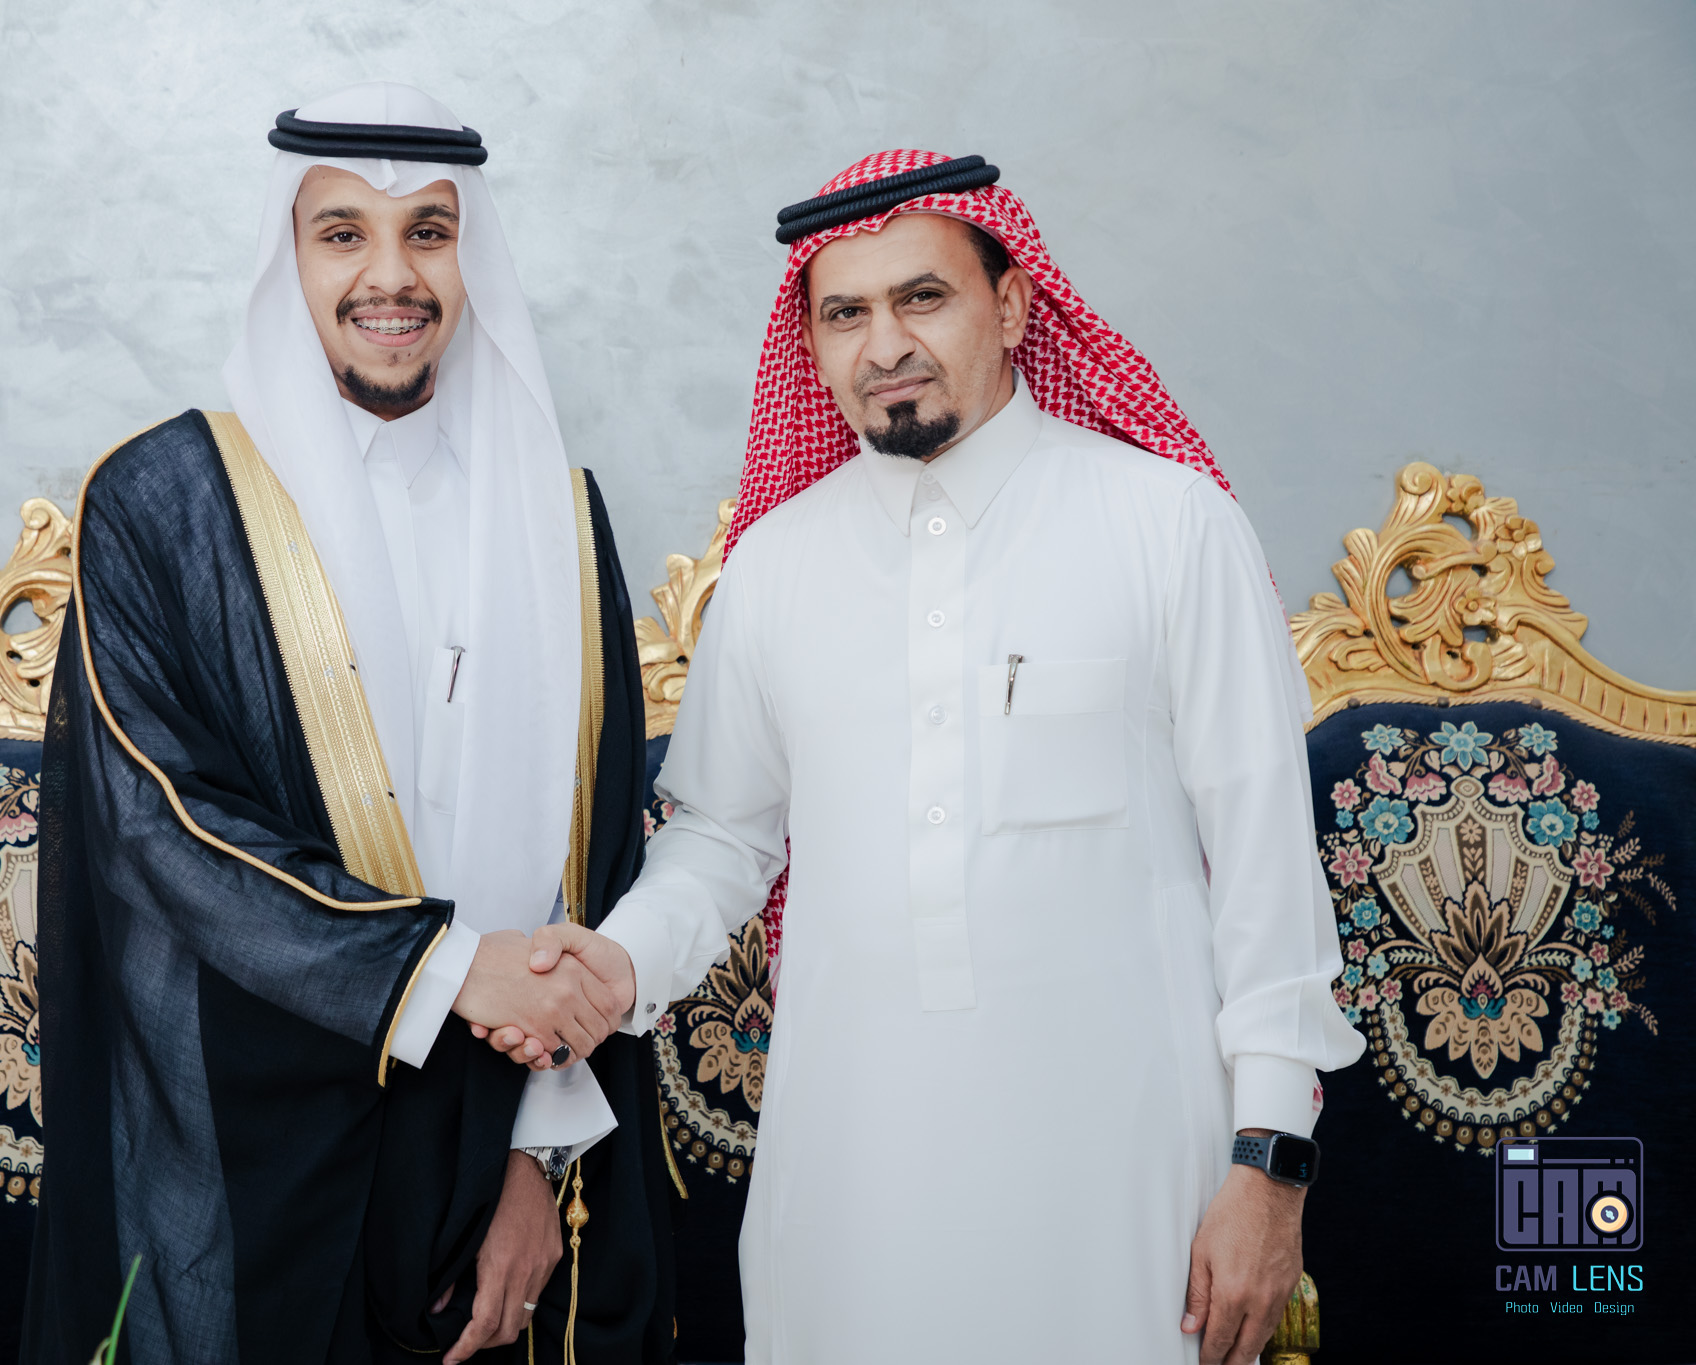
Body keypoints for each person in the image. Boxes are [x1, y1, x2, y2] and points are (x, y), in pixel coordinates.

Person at [491, 150, 1365, 1363]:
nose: (883, 344)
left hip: (1125, 1170)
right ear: (811, 346)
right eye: (844, 314)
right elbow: (723, 838)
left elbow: (1265, 870)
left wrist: (1267, 1166)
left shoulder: (1168, 526)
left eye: (922, 298)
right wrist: (616, 965)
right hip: (851, 1172)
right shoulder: (776, 566)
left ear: (1008, 305)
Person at [20, 83, 672, 1365]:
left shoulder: (555, 513)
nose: (391, 276)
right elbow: (162, 832)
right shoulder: (163, 504)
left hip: (503, 1131)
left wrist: (539, 1158)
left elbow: (593, 867)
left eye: (429, 231)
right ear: (288, 257)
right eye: (342, 234)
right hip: (256, 1151)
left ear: (471, 256)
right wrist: (443, 971)